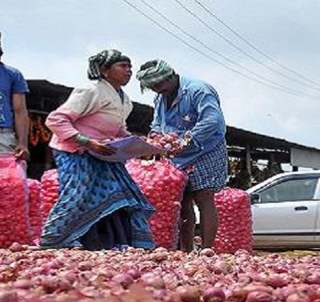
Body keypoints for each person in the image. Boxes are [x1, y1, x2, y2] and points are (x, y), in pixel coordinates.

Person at [41, 50, 155, 250]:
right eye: (122, 66)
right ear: (105, 70)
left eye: (130, 67)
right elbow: (56, 120)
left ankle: (104, 242)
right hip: (75, 150)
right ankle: (53, 239)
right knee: (79, 193)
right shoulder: (90, 90)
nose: (128, 71)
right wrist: (87, 142)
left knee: (119, 193)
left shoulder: (124, 99)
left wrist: (139, 143)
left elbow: (118, 129)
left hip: (103, 152)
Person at [136, 60, 227, 252]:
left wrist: (186, 140)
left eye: (159, 85)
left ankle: (207, 249)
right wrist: (155, 139)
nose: (157, 90)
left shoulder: (198, 90)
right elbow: (158, 124)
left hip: (205, 149)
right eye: (152, 87)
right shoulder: (160, 98)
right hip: (177, 155)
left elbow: (213, 120)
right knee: (182, 201)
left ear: (171, 76)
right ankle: (186, 251)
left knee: (204, 197)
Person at [0, 31, 30, 161]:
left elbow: (20, 111)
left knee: (7, 179)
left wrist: (22, 143)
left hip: (3, 136)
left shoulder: (12, 74)